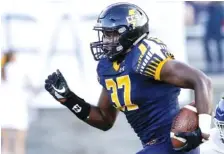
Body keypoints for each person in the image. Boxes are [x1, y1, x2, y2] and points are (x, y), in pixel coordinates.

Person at [45, 2, 213, 154]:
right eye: (104, 34)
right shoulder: (108, 67)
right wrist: (68, 99)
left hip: (175, 143)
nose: (106, 40)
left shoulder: (144, 56)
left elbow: (202, 81)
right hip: (152, 147)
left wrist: (203, 129)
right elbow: (105, 119)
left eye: (112, 34)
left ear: (130, 33)